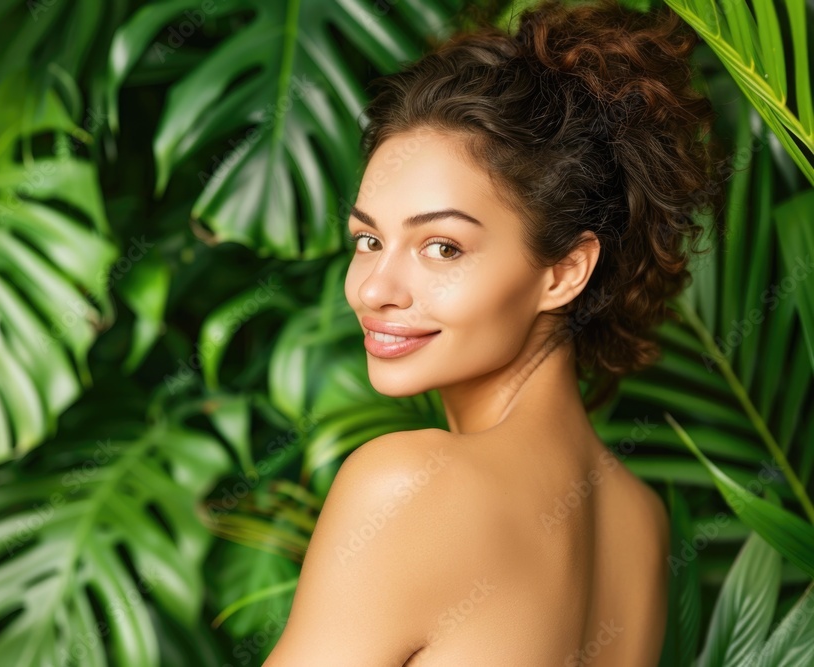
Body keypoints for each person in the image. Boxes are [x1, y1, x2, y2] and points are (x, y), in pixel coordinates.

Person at [263, 0, 727, 664]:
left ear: (564, 272)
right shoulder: (639, 522)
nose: (373, 289)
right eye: (369, 239)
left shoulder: (409, 487)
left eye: (443, 248)